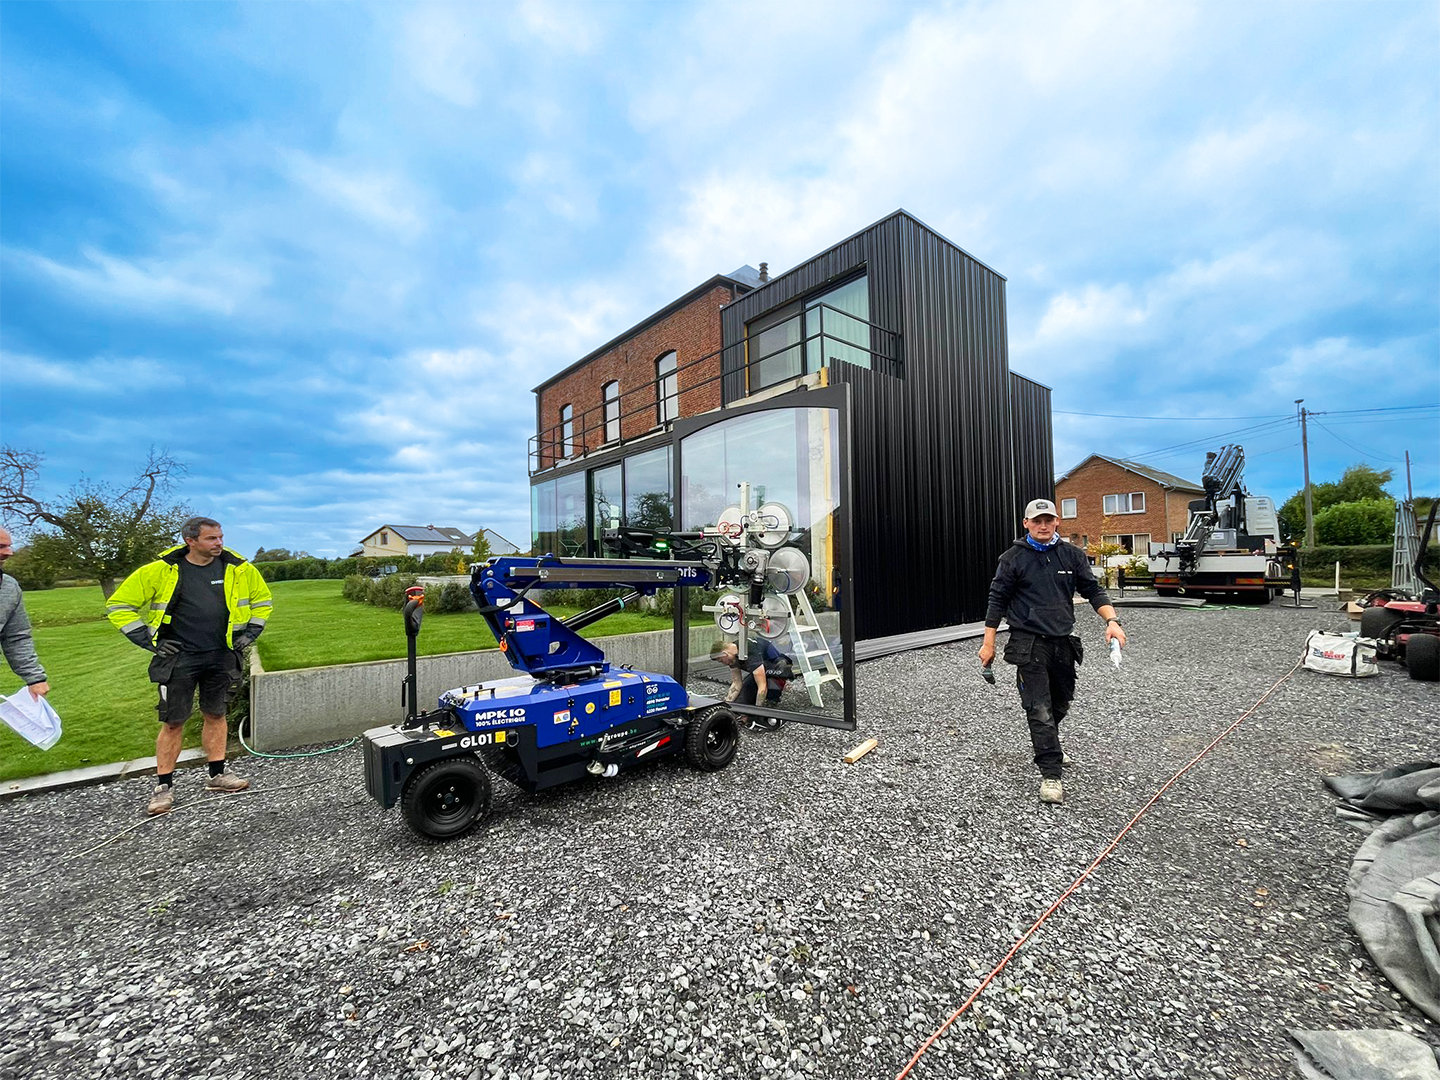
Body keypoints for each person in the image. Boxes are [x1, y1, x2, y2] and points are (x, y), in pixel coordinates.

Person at [107, 517, 273, 815]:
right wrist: (149, 640)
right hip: (179, 658)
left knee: (216, 713)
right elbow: (119, 606)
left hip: (222, 655)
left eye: (220, 537)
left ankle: (217, 775)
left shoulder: (239, 569)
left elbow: (263, 601)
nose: (219, 543)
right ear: (190, 540)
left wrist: (251, 632)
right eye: (211, 538)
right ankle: (163, 787)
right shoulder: (161, 570)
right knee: (173, 721)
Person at [978, 498, 1127, 805]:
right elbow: (997, 601)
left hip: (1063, 641)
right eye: (1037, 521)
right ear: (1026, 524)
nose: (1043, 526)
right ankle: (1051, 774)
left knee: (1061, 702)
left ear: (1057, 521)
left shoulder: (1071, 555)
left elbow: (1092, 590)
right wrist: (988, 643)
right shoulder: (1013, 558)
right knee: (1039, 708)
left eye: (1048, 520)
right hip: (1028, 642)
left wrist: (1112, 621)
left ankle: (1050, 744)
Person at [0, 527, 50, 701]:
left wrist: (35, 678)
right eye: (1, 546)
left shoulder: (9, 587)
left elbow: (16, 636)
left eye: (9, 546)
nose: (9, 552)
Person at [710, 637, 793, 714]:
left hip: (776, 667)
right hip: (760, 669)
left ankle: (780, 686)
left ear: (725, 654)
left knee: (767, 699)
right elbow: (736, 682)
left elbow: (762, 686)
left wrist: (757, 710)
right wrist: (727, 704)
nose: (723, 663)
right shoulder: (732, 655)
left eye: (721, 660)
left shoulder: (750, 652)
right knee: (740, 702)